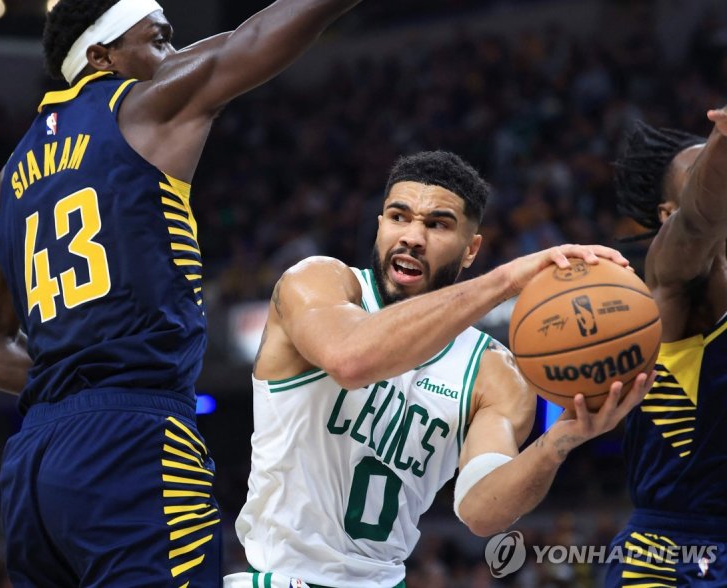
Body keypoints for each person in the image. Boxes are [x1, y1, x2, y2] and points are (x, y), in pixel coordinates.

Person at [0, 0, 362, 585]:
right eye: (159, 40)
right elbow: (251, 40)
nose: (173, 56)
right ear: (102, 56)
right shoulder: (142, 107)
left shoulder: (12, 175)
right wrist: (108, 387)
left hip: (34, 465)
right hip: (132, 440)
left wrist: (72, 380)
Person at [225, 150, 654, 588]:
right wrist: (505, 280)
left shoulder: (492, 370)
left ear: (471, 251)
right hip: (278, 577)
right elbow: (349, 360)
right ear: (380, 226)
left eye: (437, 225)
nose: (412, 237)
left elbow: (481, 511)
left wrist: (562, 439)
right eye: (399, 217)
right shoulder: (319, 283)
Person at [605, 113, 727, 586]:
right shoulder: (680, 279)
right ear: (666, 213)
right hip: (675, 552)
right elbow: (698, 220)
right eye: (703, 173)